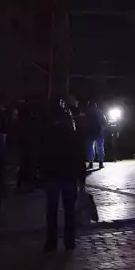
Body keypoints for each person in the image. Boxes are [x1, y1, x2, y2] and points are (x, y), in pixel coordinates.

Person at [40, 101, 85, 252]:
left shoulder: (48, 134)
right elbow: (79, 157)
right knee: (69, 210)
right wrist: (81, 178)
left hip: (53, 175)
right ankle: (69, 240)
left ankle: (51, 241)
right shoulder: (73, 136)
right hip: (69, 176)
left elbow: (43, 155)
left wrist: (42, 173)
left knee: (52, 211)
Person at [84, 101, 107, 170]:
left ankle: (91, 163)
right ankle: (100, 163)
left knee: (90, 148)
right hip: (98, 131)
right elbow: (104, 122)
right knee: (99, 148)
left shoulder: (87, 113)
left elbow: (85, 122)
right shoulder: (100, 112)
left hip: (90, 132)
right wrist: (103, 129)